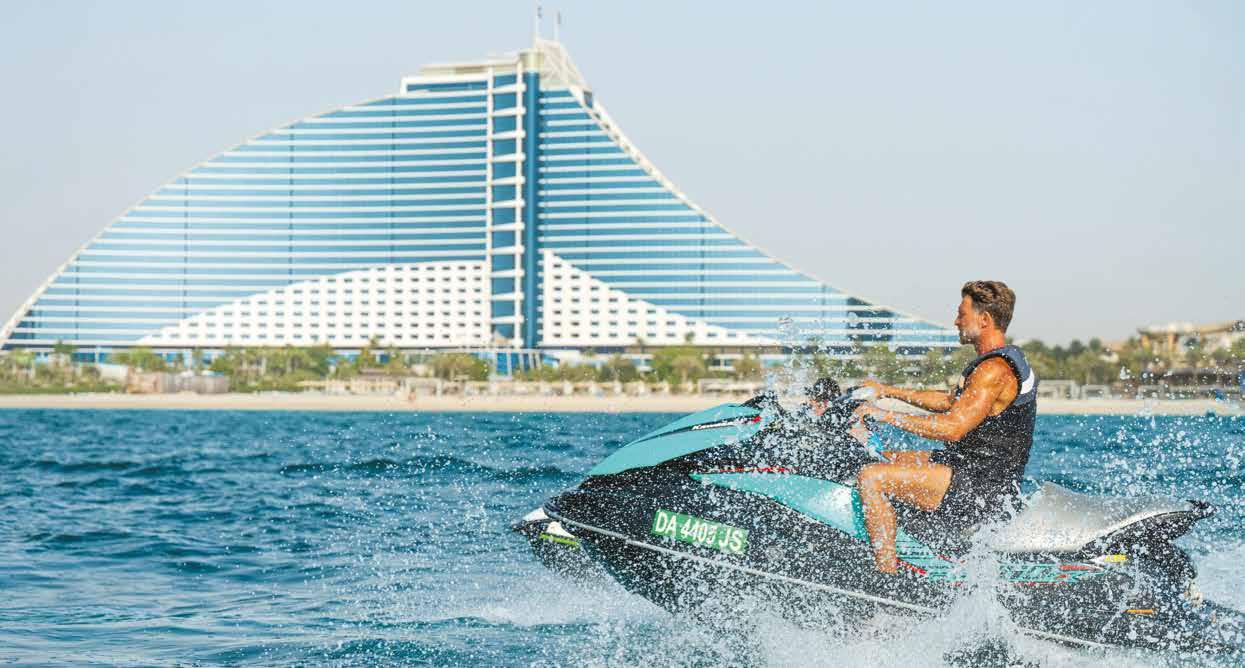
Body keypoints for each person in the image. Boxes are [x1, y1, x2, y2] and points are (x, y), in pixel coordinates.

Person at [851, 281, 1037, 574]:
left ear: (984, 319)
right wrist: (886, 391)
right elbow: (949, 402)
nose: (956, 321)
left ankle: (886, 578)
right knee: (882, 457)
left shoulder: (994, 370)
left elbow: (952, 428)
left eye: (962, 314)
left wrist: (885, 416)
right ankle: (910, 548)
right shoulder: (990, 364)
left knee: (872, 477)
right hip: (968, 466)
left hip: (983, 486)